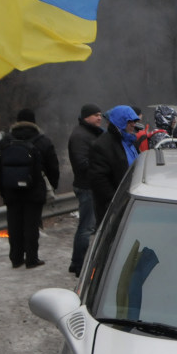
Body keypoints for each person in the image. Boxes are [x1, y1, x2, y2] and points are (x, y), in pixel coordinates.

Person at [0, 108, 60, 269]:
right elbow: (53, 166)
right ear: (34, 122)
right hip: (34, 190)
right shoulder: (43, 141)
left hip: (11, 190)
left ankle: (16, 258)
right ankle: (31, 258)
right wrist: (52, 185)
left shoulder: (5, 141)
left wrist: (1, 189)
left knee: (14, 224)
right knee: (31, 225)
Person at [67, 103, 104, 276]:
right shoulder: (80, 136)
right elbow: (81, 163)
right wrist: (101, 167)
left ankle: (76, 262)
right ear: (86, 117)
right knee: (86, 228)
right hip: (87, 186)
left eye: (100, 115)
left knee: (87, 226)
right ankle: (79, 265)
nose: (99, 118)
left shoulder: (89, 133)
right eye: (96, 115)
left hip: (90, 185)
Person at [88, 105, 142, 222]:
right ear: (120, 121)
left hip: (131, 202)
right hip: (114, 208)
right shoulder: (102, 145)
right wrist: (116, 202)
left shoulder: (131, 142)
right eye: (130, 121)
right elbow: (99, 180)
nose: (133, 124)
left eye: (135, 121)